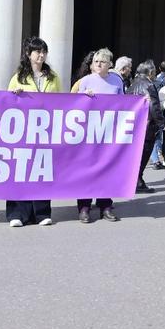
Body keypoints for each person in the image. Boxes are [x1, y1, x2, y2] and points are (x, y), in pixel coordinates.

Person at [4, 36, 61, 226]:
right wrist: (16, 95)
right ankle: (17, 214)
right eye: (37, 51)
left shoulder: (53, 77)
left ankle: (42, 213)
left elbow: (62, 102)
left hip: (44, 131)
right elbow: (7, 103)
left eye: (44, 51)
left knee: (42, 171)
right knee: (20, 171)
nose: (41, 55)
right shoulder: (18, 77)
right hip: (22, 131)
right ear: (29, 54)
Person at [73, 48, 124, 222]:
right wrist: (83, 96)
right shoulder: (85, 81)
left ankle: (105, 206)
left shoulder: (117, 81)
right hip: (88, 134)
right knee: (86, 171)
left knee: (107, 170)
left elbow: (124, 104)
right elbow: (72, 104)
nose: (99, 64)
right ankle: (84, 207)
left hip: (108, 134)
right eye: (96, 61)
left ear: (110, 64)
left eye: (103, 61)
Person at [130, 60, 165, 194]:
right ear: (150, 72)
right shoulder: (149, 85)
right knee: (144, 154)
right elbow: (154, 106)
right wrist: (161, 124)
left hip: (134, 124)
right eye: (154, 71)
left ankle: (137, 180)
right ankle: (138, 180)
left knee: (136, 155)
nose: (155, 73)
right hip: (148, 125)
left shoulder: (133, 84)